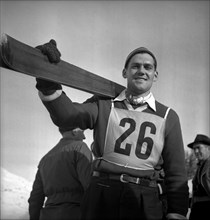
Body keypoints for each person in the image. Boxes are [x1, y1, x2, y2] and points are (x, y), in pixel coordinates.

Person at [35, 40, 189, 220]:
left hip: (145, 199)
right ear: (125, 72)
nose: (141, 71)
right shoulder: (104, 104)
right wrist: (46, 78)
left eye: (148, 67)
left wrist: (177, 212)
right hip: (102, 194)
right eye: (135, 66)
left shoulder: (168, 116)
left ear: (155, 75)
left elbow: (176, 172)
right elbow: (68, 116)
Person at [28, 127, 93, 220]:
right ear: (74, 131)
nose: (84, 137)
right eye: (82, 131)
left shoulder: (45, 159)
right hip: (75, 213)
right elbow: (90, 187)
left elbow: (35, 199)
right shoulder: (80, 147)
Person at [187, 134, 210, 220]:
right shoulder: (201, 166)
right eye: (194, 149)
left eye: (198, 148)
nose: (196, 151)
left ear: (208, 148)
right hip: (198, 211)